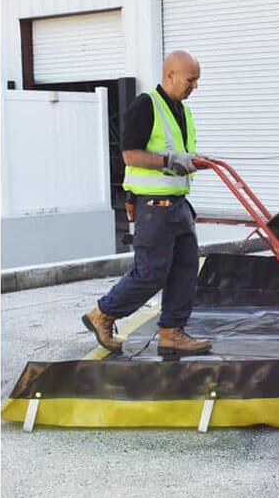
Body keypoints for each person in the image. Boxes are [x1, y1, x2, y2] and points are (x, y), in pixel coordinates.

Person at [82, 50, 212, 356]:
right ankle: (103, 313)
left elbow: (177, 153)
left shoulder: (181, 110)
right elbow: (130, 155)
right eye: (191, 80)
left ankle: (171, 332)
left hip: (177, 204)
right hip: (153, 207)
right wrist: (170, 160)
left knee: (185, 267)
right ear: (170, 75)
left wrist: (192, 161)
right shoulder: (146, 105)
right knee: (152, 271)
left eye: (197, 81)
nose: (195, 86)